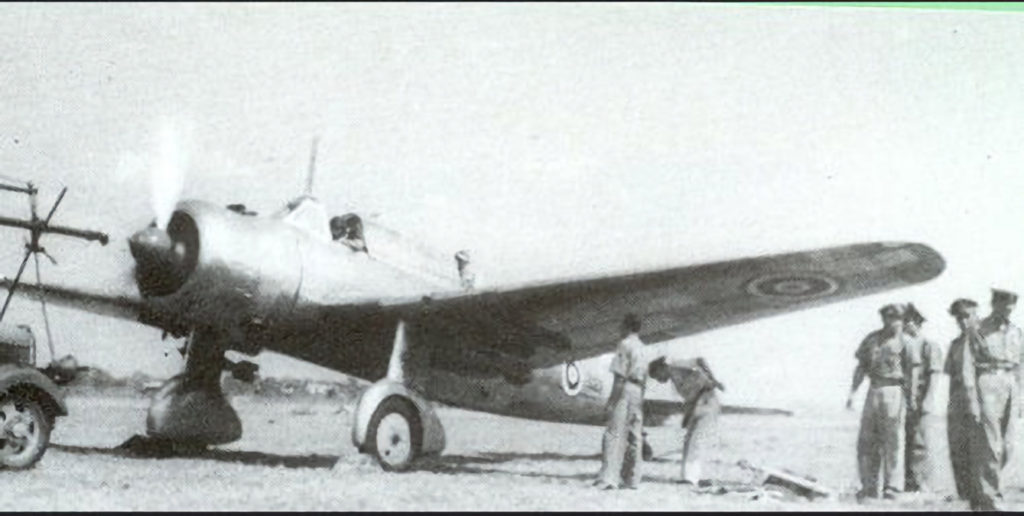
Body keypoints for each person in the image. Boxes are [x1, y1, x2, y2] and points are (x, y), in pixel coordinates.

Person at [846, 303, 917, 500]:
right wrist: (852, 393)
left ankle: (892, 487)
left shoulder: (907, 342)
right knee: (867, 440)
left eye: (896, 318)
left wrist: (911, 398)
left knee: (893, 440)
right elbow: (861, 367)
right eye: (887, 318)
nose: (891, 322)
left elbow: (913, 372)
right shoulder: (872, 339)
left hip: (895, 389)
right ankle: (869, 486)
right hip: (874, 389)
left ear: (902, 320)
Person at [969, 288, 1022, 510]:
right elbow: (968, 363)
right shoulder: (979, 328)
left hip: (1010, 382)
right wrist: (972, 394)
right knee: (991, 442)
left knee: (1009, 444)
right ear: (994, 304)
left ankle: (986, 490)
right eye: (1004, 304)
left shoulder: (1016, 332)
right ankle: (991, 496)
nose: (1008, 308)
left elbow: (1021, 364)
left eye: (1012, 304)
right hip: (987, 379)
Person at [648, 355, 725, 487]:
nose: (659, 380)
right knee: (690, 441)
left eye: (657, 375)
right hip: (697, 405)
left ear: (662, 368)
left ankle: (691, 478)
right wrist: (687, 416)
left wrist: (713, 380)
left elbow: (700, 360)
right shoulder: (674, 380)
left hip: (707, 399)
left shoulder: (677, 365)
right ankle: (688, 477)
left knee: (696, 441)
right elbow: (689, 398)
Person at [594, 313, 648, 490]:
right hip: (638, 391)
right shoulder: (642, 346)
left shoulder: (624, 345)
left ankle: (608, 478)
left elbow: (619, 377)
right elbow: (645, 378)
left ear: (626, 326)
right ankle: (633, 479)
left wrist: (611, 402)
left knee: (613, 433)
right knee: (635, 436)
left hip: (625, 389)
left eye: (621, 325)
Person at [901, 303, 943, 493]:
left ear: (917, 323)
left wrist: (928, 400)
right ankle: (908, 482)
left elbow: (934, 374)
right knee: (905, 440)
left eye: (908, 321)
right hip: (903, 400)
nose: (904, 325)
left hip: (920, 399)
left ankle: (921, 483)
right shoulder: (902, 345)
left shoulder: (928, 345)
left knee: (920, 442)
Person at [944, 298, 983, 506]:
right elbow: (951, 376)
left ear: (977, 315)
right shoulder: (955, 345)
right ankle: (965, 492)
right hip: (958, 399)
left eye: (967, 316)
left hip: (982, 397)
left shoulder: (985, 341)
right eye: (959, 318)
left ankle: (983, 491)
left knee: (984, 448)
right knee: (958, 447)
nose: (963, 321)